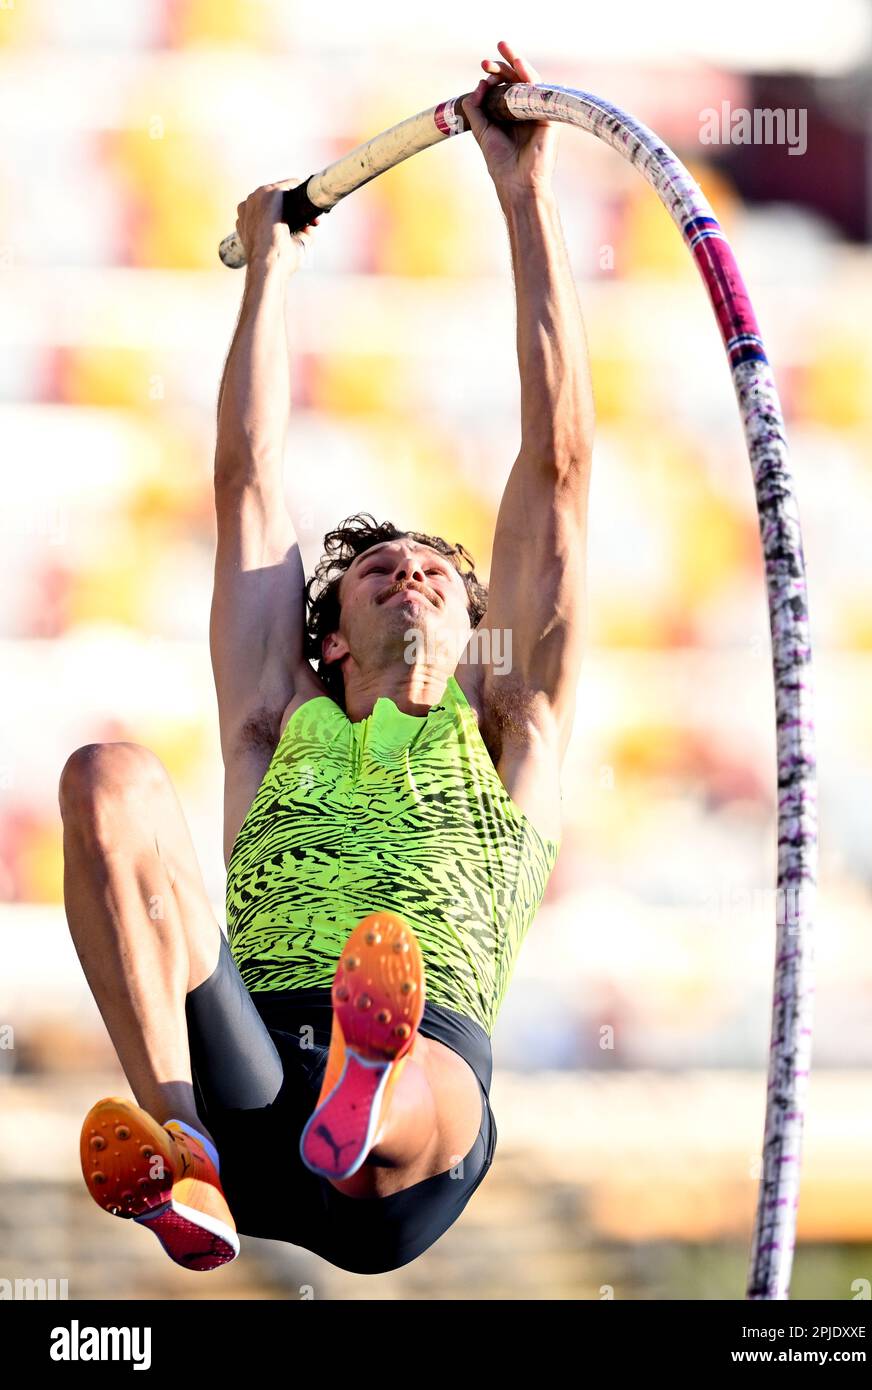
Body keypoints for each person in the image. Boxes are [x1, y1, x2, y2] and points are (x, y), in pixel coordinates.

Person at [60, 39, 594, 1277]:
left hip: (420, 1133)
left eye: (439, 574)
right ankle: (181, 1142)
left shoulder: (513, 724)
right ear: (328, 634)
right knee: (107, 778)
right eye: (375, 570)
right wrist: (270, 275)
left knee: (413, 1083)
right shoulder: (271, 716)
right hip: (248, 1081)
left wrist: (526, 197)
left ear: (475, 626)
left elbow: (557, 472)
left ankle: (370, 1087)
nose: (412, 575)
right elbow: (247, 480)